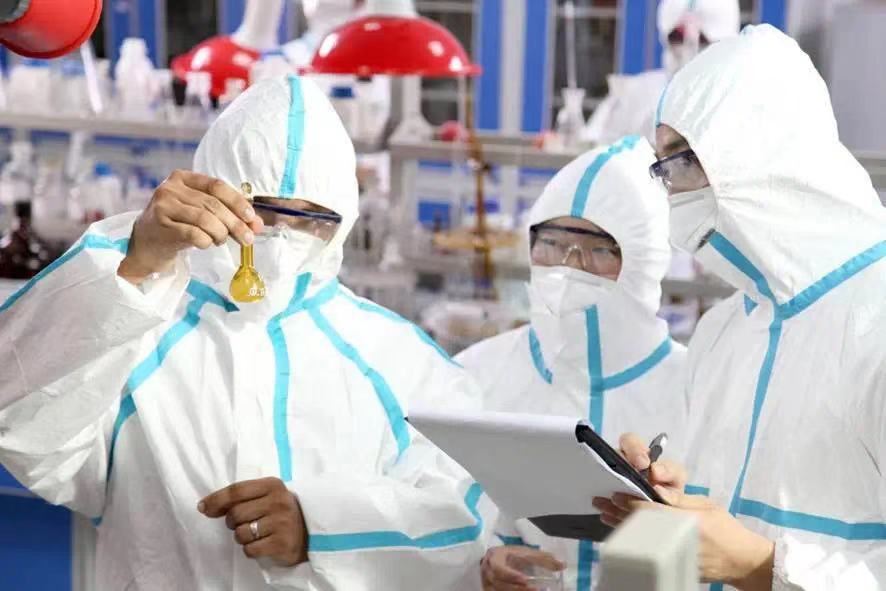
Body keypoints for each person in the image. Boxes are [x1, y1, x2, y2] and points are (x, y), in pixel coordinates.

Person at [0, 75, 496, 589]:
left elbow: (467, 512)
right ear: (208, 194)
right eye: (255, 211)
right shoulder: (132, 322)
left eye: (309, 220)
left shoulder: (396, 357)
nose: (276, 239)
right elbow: (21, 419)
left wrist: (323, 526)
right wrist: (135, 262)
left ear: (343, 221)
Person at [594, 25, 886, 590]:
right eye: (663, 168)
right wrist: (674, 502)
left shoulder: (875, 324)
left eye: (683, 162)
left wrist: (759, 565)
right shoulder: (726, 328)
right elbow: (738, 511)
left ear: (759, 153)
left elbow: (751, 554)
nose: (673, 191)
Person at [457, 136, 687, 591]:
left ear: (644, 261)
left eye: (598, 249)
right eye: (551, 243)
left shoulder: (698, 388)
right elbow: (438, 517)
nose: (567, 266)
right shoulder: (476, 373)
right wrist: (482, 563)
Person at [584, 0, 740, 146]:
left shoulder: (739, 101)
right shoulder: (638, 92)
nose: (688, 47)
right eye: (677, 37)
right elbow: (595, 147)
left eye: (703, 39)